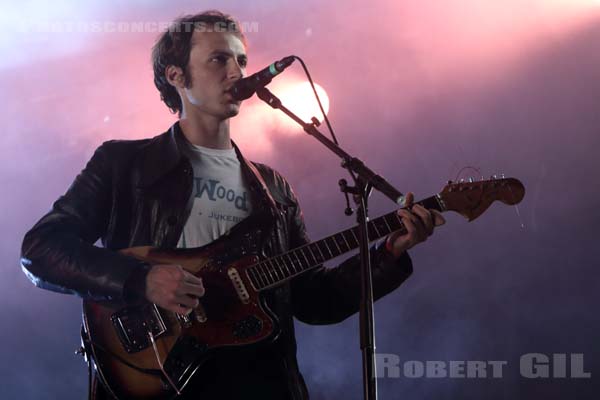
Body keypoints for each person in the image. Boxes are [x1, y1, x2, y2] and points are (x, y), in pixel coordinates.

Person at [20, 10, 445, 400]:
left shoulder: (274, 188)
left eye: (241, 60)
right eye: (219, 60)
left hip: (259, 383)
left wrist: (389, 254)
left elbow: (314, 300)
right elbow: (41, 250)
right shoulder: (122, 164)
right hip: (156, 374)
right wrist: (140, 280)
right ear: (176, 76)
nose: (237, 72)